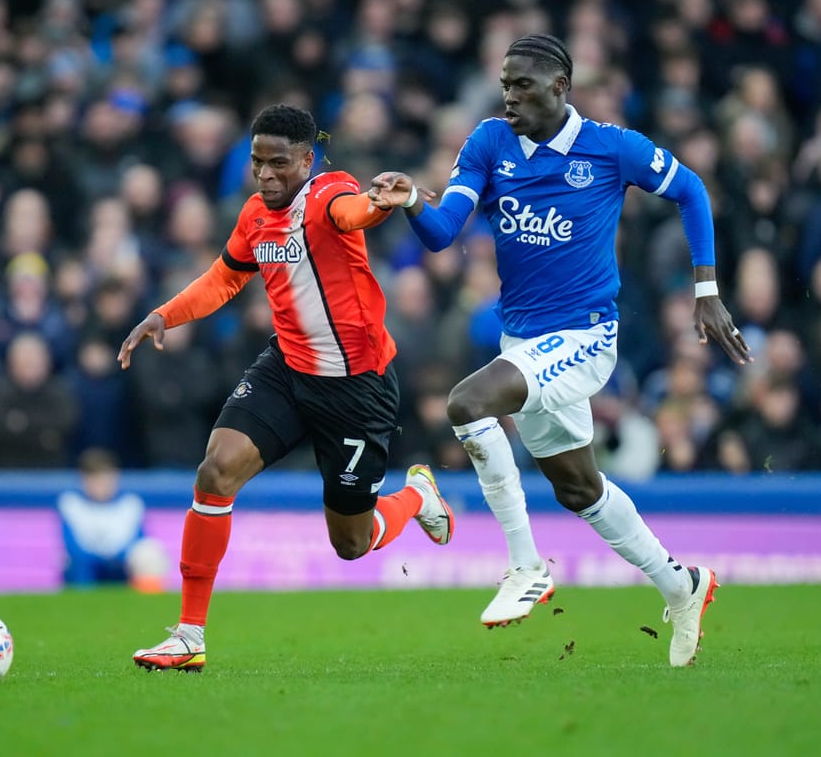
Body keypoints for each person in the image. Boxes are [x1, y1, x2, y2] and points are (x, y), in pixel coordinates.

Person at [368, 34, 753, 668]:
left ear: (560, 87)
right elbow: (442, 236)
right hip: (524, 340)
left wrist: (706, 287)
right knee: (580, 490)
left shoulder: (611, 147)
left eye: (523, 85)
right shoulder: (489, 142)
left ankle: (525, 566)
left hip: (585, 337)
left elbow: (693, 192)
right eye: (504, 85)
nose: (510, 96)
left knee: (467, 403)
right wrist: (411, 200)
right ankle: (682, 585)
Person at [117, 103, 455, 672]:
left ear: (306, 160)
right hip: (288, 369)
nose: (266, 174)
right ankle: (189, 634)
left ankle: (417, 497)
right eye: (257, 162)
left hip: (356, 388)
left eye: (279, 163)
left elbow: (352, 213)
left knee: (350, 543)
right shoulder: (254, 214)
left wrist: (380, 204)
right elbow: (226, 277)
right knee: (216, 469)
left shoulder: (328, 195)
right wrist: (163, 316)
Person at [57, 448, 165, 590]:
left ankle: (147, 603)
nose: (101, 485)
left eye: (105, 478)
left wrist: (116, 558)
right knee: (69, 560)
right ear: (84, 480)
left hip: (121, 565)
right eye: (95, 479)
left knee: (149, 552)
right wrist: (98, 559)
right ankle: (82, 599)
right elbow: (71, 545)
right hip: (85, 565)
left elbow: (138, 540)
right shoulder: (71, 504)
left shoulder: (130, 504)